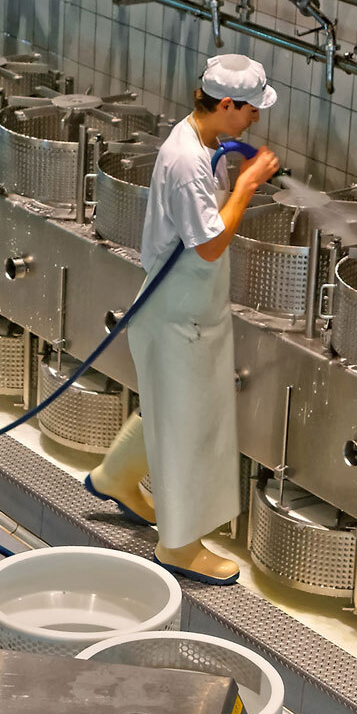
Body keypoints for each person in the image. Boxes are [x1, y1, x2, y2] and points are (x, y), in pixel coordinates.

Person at [86, 54, 281, 584]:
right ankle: (179, 548)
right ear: (225, 104)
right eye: (250, 111)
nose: (255, 120)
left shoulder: (201, 141)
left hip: (186, 308)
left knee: (169, 411)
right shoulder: (186, 161)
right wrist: (246, 186)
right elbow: (212, 244)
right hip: (179, 315)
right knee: (191, 428)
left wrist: (237, 169)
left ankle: (114, 478)